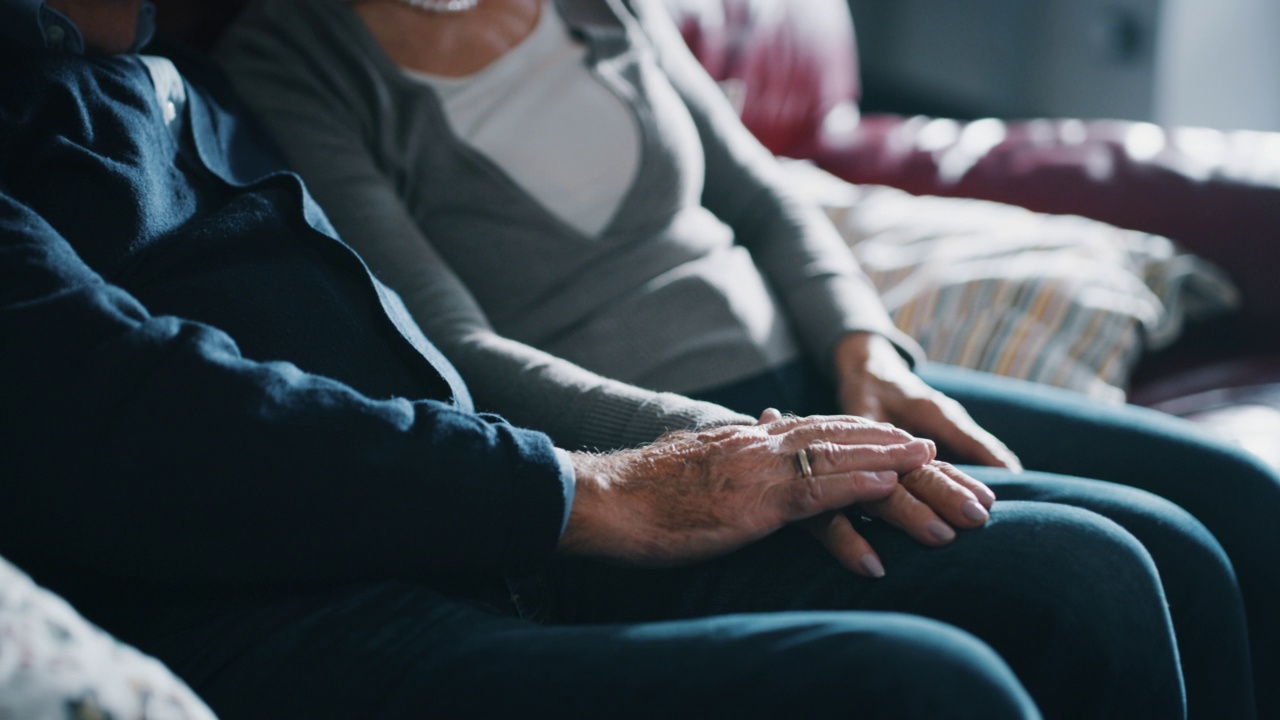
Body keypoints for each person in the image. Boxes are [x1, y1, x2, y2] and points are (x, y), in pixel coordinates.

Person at [0, 1, 1247, 718]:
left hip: (562, 487)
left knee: (1167, 537)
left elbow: (766, 196)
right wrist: (645, 471)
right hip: (552, 480)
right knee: (995, 638)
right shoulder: (272, 65)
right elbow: (439, 350)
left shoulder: (169, 82)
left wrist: (867, 350)